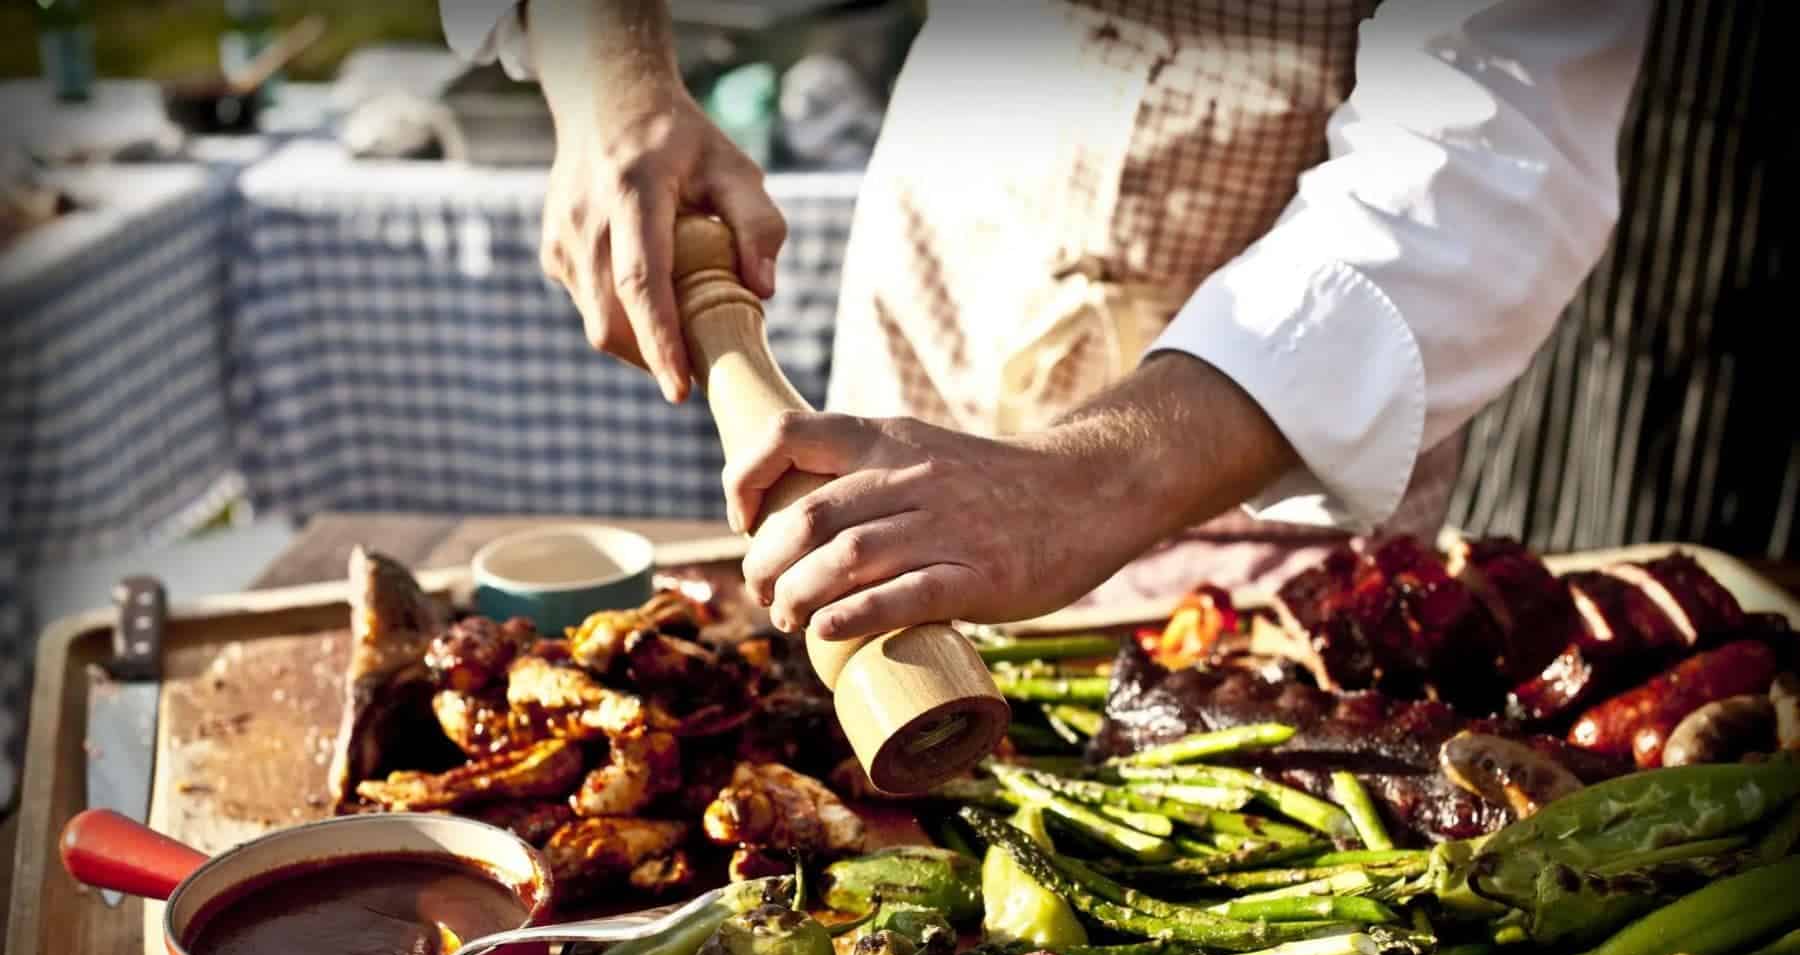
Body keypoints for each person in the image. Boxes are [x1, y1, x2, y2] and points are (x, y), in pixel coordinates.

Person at [440, 0, 1652, 640]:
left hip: (1263, 401)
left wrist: (1083, 484)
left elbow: (1491, 149)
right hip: (960, 232)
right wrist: (615, 82)